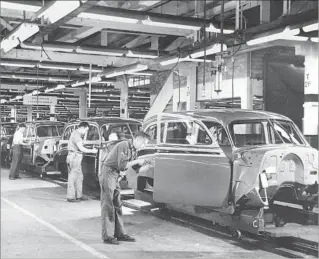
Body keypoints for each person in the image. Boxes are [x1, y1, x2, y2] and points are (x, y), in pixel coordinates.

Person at [99, 131, 150, 245]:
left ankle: (119, 233)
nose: (144, 146)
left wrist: (149, 166)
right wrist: (138, 161)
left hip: (115, 175)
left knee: (117, 204)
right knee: (108, 205)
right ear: (137, 140)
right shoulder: (124, 145)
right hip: (108, 173)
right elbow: (123, 166)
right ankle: (107, 236)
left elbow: (136, 170)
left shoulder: (134, 150)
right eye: (143, 143)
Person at [66, 121, 97, 202]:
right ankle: (71, 197)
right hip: (74, 157)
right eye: (86, 130)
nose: (85, 132)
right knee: (72, 177)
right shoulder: (77, 136)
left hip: (76, 157)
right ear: (82, 128)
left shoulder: (76, 134)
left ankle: (79, 196)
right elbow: (81, 148)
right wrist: (92, 151)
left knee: (80, 177)